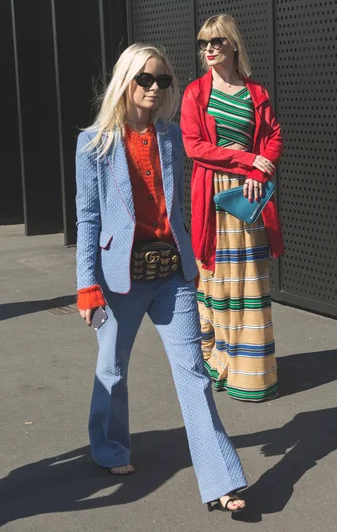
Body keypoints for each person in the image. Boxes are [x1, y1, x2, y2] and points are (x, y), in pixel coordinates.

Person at [75, 42, 247, 512]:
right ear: (125, 83)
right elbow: (88, 219)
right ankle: (109, 447)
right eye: (145, 79)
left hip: (171, 272)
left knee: (194, 375)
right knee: (111, 369)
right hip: (118, 280)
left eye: (163, 81)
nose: (154, 88)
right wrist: (86, 285)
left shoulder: (170, 137)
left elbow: (179, 206)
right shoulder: (94, 143)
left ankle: (220, 479)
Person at [181, 14, 284, 402]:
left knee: (252, 280)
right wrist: (248, 162)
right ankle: (218, 360)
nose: (208, 50)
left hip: (250, 196)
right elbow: (194, 147)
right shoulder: (195, 93)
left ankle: (251, 375)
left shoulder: (256, 92)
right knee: (219, 282)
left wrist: (261, 169)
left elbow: (273, 137)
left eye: (216, 42)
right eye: (204, 43)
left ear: (233, 44)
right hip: (213, 196)